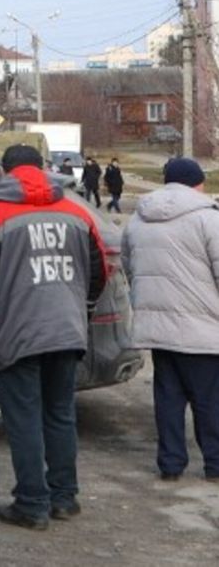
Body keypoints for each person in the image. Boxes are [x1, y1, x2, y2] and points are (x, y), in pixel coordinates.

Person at [0, 144, 108, 529]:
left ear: (5, 173)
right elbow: (98, 272)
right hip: (66, 331)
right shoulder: (75, 213)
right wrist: (78, 309)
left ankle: (32, 504)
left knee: (24, 420)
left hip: (16, 334)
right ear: (43, 170)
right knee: (60, 414)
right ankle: (65, 498)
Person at [122, 157, 219, 481]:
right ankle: (215, 464)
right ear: (197, 183)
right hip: (202, 328)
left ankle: (171, 464)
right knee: (208, 400)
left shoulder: (138, 218)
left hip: (157, 328)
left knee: (168, 398)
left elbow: (129, 266)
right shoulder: (208, 219)